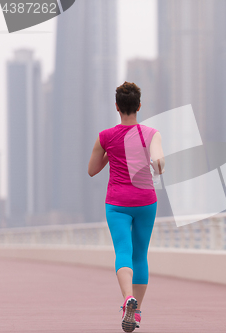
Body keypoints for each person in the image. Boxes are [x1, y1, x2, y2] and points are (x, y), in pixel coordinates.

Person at [88, 81, 165, 332]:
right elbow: (158, 159)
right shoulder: (152, 133)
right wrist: (157, 162)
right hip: (145, 201)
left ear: (117, 107)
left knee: (123, 250)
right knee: (140, 254)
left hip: (117, 203)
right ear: (139, 106)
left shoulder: (105, 137)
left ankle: (127, 300)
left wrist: (111, 151)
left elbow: (92, 171)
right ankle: (136, 312)